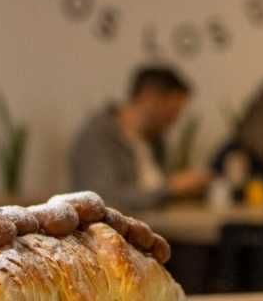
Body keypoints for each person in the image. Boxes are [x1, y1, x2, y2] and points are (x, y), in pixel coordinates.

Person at [69, 64, 208, 211]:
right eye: (173, 111)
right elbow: (105, 199)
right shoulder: (97, 136)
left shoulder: (156, 141)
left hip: (156, 228)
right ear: (149, 98)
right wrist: (170, 189)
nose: (174, 120)